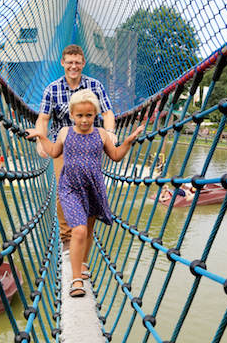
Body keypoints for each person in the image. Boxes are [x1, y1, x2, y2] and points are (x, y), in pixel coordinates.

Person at [27, 89, 144, 297]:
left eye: (89, 115)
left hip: (93, 187)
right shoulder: (64, 132)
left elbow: (115, 156)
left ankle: (81, 263)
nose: (84, 120)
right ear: (72, 115)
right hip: (70, 187)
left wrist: (128, 141)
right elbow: (54, 152)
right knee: (78, 231)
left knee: (89, 230)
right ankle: (76, 280)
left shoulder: (101, 134)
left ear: (95, 115)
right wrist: (41, 136)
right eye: (79, 115)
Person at [35, 44, 116, 268]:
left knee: (90, 190)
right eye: (69, 62)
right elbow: (43, 118)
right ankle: (68, 238)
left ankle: (83, 235)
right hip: (65, 143)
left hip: (91, 142)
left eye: (77, 62)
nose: (73, 66)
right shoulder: (52, 89)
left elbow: (108, 113)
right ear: (63, 63)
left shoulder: (95, 86)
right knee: (64, 187)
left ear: (83, 63)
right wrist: (39, 138)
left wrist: (110, 133)